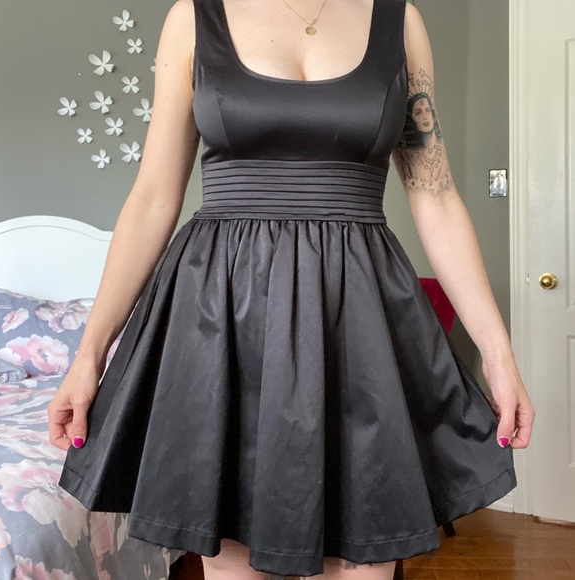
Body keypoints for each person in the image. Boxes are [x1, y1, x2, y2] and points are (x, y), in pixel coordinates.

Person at [47, 0, 535, 579]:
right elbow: (153, 198)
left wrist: (498, 354)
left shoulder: (399, 20)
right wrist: (89, 354)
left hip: (358, 317)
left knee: (365, 550)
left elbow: (436, 194)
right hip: (222, 315)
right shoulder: (193, 18)